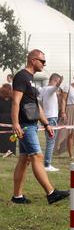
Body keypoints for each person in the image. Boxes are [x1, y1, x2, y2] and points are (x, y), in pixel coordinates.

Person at [10, 49, 70, 204]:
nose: (44, 64)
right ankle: (51, 193)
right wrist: (16, 123)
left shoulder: (30, 79)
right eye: (42, 61)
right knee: (37, 156)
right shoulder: (22, 76)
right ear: (33, 60)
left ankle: (17, 196)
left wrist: (46, 123)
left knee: (24, 159)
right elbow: (16, 101)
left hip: (31, 124)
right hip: (25, 125)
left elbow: (35, 105)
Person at [38, 73, 62, 172]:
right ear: (55, 80)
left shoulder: (43, 89)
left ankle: (47, 163)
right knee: (51, 142)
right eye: (57, 81)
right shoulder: (50, 89)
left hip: (45, 117)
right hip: (51, 118)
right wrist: (60, 83)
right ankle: (47, 164)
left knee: (49, 141)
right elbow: (55, 87)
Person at [0, 84, 16, 157]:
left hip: (7, 120)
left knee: (8, 136)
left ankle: (9, 151)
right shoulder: (13, 100)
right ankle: (10, 150)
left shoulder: (13, 100)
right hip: (10, 120)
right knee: (10, 136)